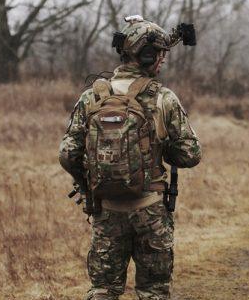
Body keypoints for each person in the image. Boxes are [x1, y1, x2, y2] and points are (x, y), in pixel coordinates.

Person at [59, 15, 201, 300]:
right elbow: (190, 154)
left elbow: (68, 153)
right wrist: (159, 148)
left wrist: (88, 185)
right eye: (161, 55)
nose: (163, 61)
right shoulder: (163, 98)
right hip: (151, 211)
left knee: (102, 291)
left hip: (106, 210)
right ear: (149, 56)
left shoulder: (92, 97)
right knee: (153, 293)